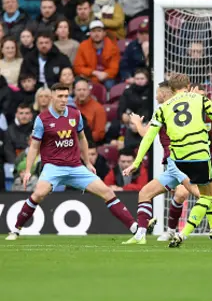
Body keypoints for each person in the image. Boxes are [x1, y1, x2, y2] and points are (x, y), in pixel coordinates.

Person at [121, 74, 212, 246]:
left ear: (171, 89)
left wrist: (136, 162)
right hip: (200, 155)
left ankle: (200, 228)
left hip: (177, 159)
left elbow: (147, 137)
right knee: (206, 195)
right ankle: (192, 231)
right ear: (188, 85)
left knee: (160, 193)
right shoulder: (201, 100)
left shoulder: (163, 109)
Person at [5, 83, 138, 240]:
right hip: (53, 167)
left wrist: (87, 162)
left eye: (66, 96)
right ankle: (15, 229)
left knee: (107, 192)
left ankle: (135, 228)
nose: (63, 100)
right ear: (52, 97)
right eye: (60, 96)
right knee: (38, 194)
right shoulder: (43, 119)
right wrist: (28, 170)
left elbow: (82, 138)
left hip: (75, 167)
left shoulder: (75, 114)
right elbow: (34, 146)